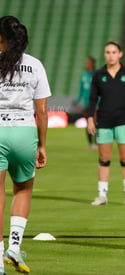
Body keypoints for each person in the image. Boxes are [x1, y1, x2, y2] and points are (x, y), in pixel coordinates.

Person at [0, 16, 51, 274]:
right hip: (25, 132)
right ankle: (15, 247)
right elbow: (42, 111)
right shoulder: (34, 65)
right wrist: (42, 145)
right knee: (23, 190)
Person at [87, 41, 125, 206]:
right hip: (104, 121)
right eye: (108, 52)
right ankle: (102, 195)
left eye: (114, 52)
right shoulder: (98, 75)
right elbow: (92, 99)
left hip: (124, 121)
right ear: (105, 54)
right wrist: (90, 118)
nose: (111, 55)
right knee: (104, 159)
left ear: (120, 54)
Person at [75, 56, 97, 150]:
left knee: (95, 123)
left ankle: (97, 143)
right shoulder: (84, 74)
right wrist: (78, 101)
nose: (86, 64)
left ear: (92, 63)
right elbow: (81, 89)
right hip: (86, 103)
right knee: (88, 123)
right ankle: (90, 143)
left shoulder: (96, 75)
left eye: (88, 62)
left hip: (95, 103)